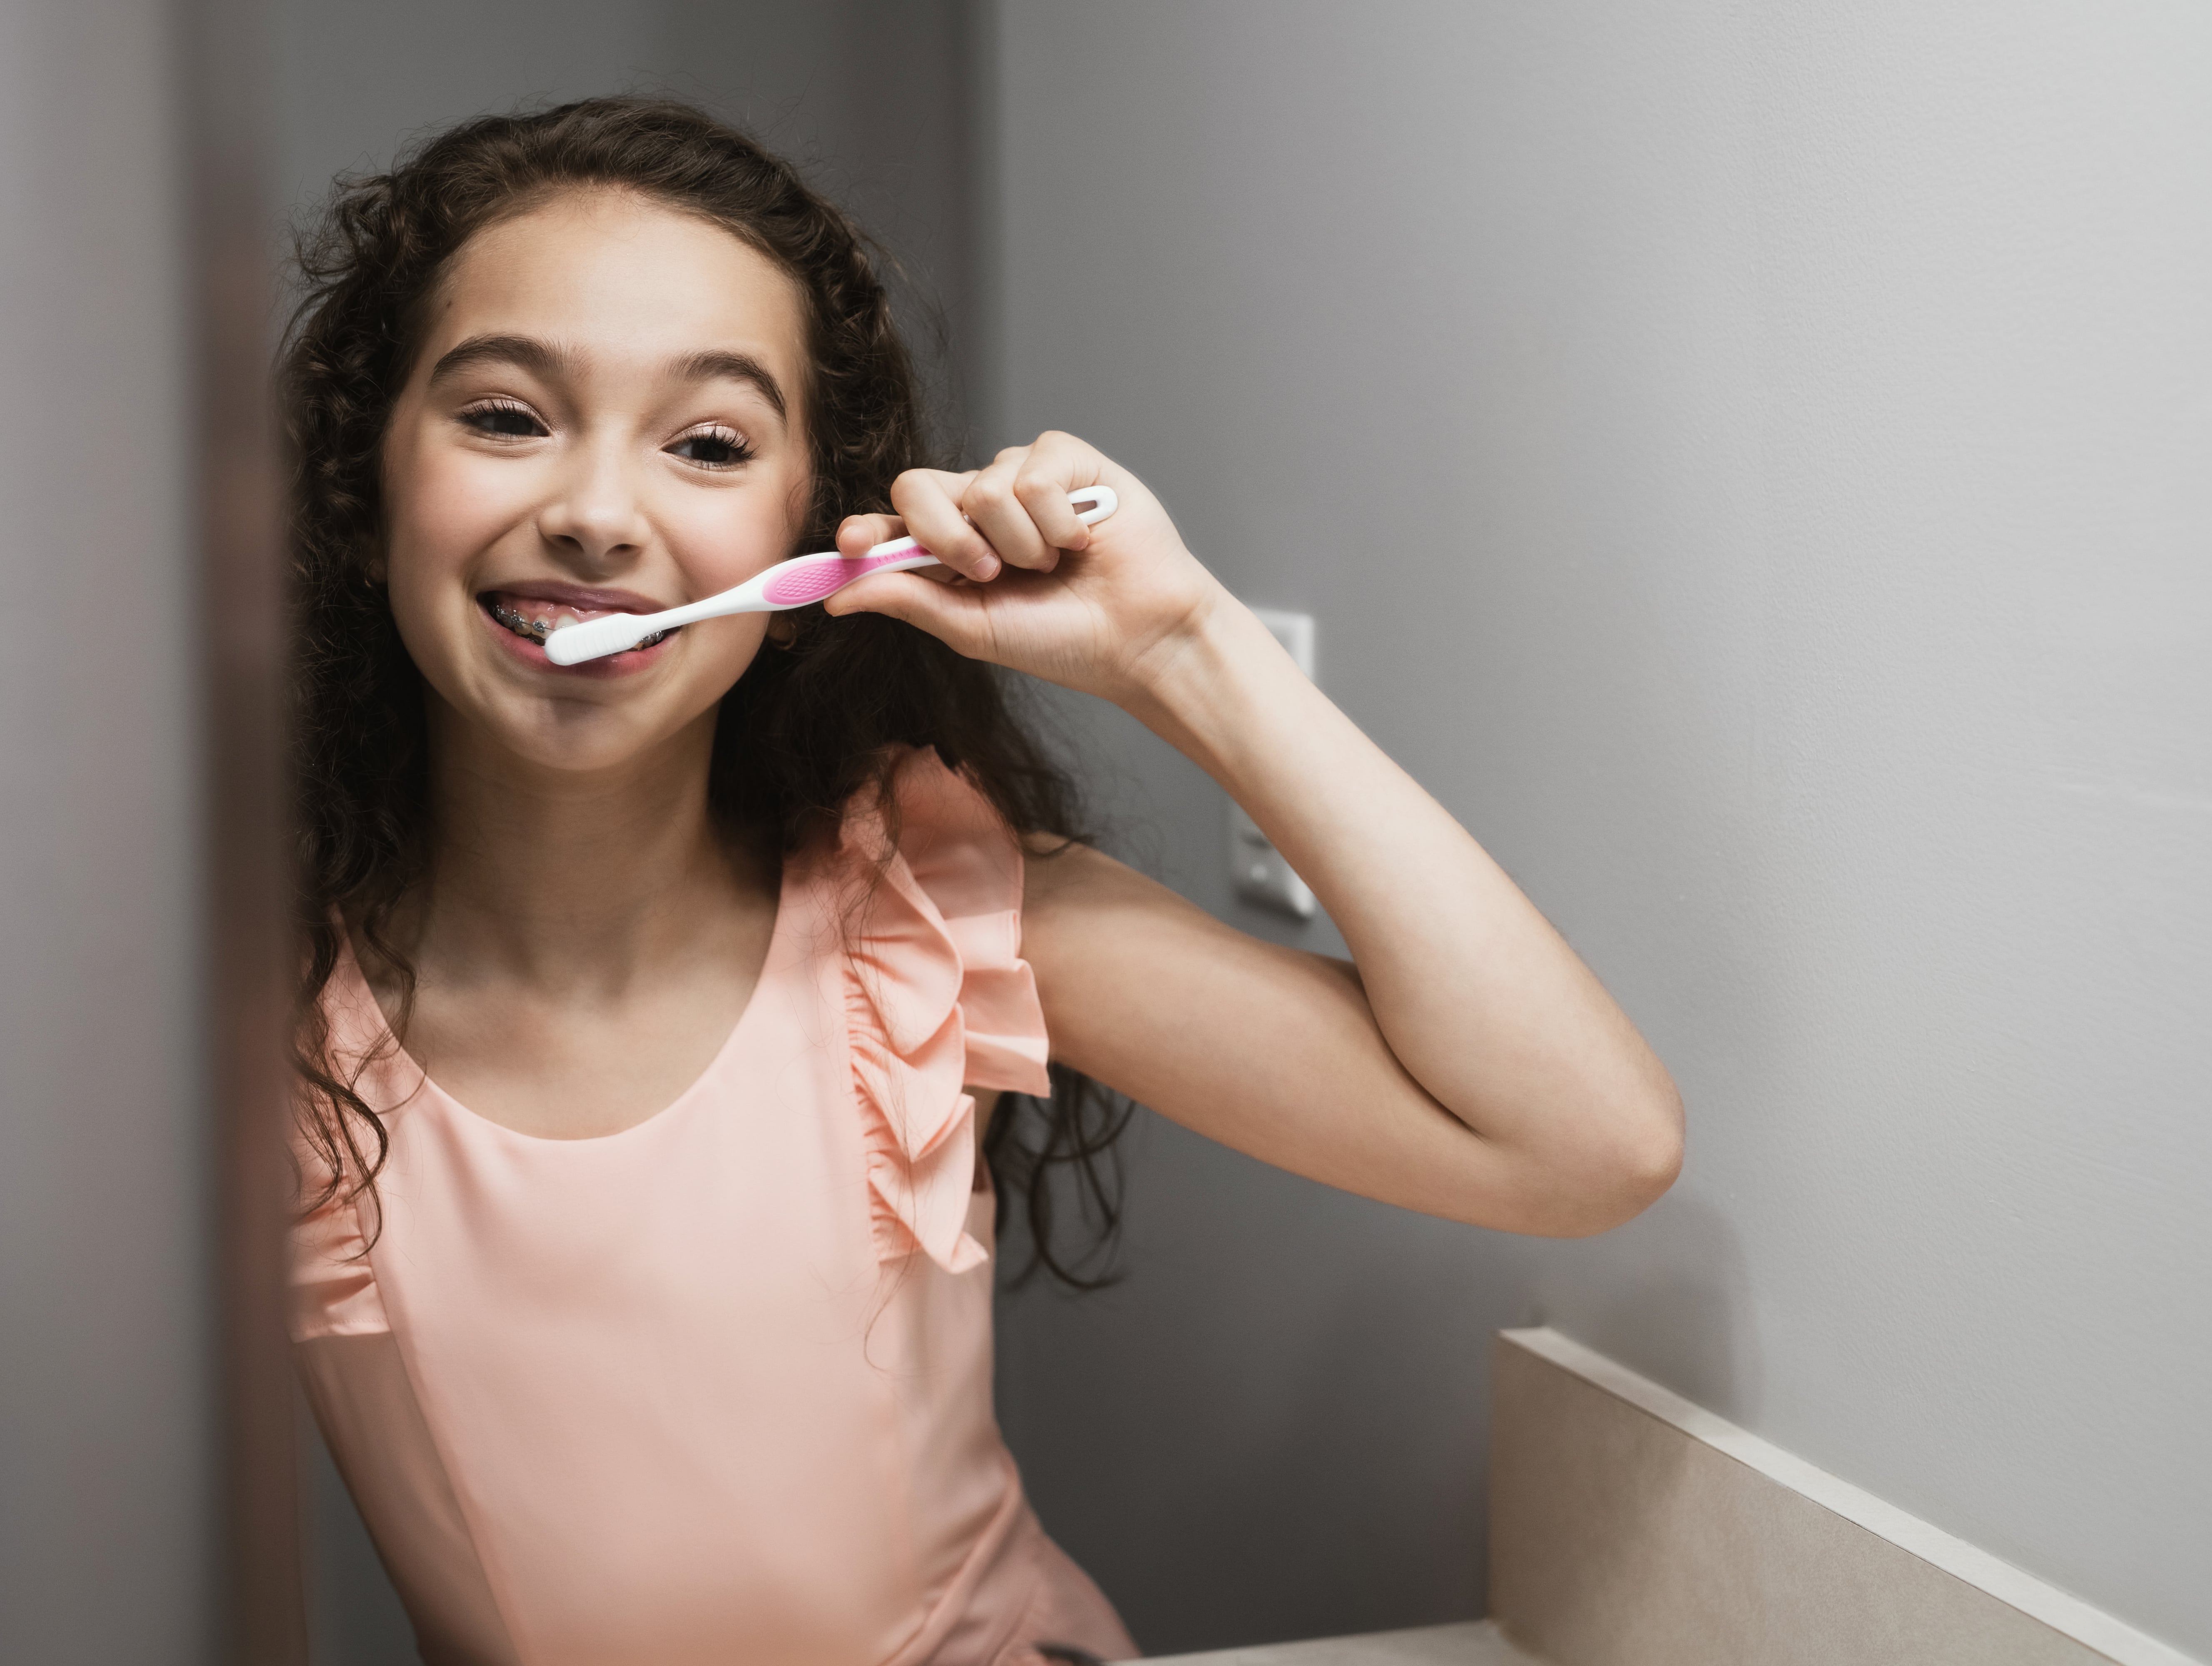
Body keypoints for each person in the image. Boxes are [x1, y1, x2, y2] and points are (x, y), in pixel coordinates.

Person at [284, 98, 1682, 1666]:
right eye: (504, 417)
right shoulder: (247, 1022)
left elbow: (1590, 1149)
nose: (597, 514)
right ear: (364, 493)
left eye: (710, 445)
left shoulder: (926, 921)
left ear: (808, 549)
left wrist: (1181, 648)